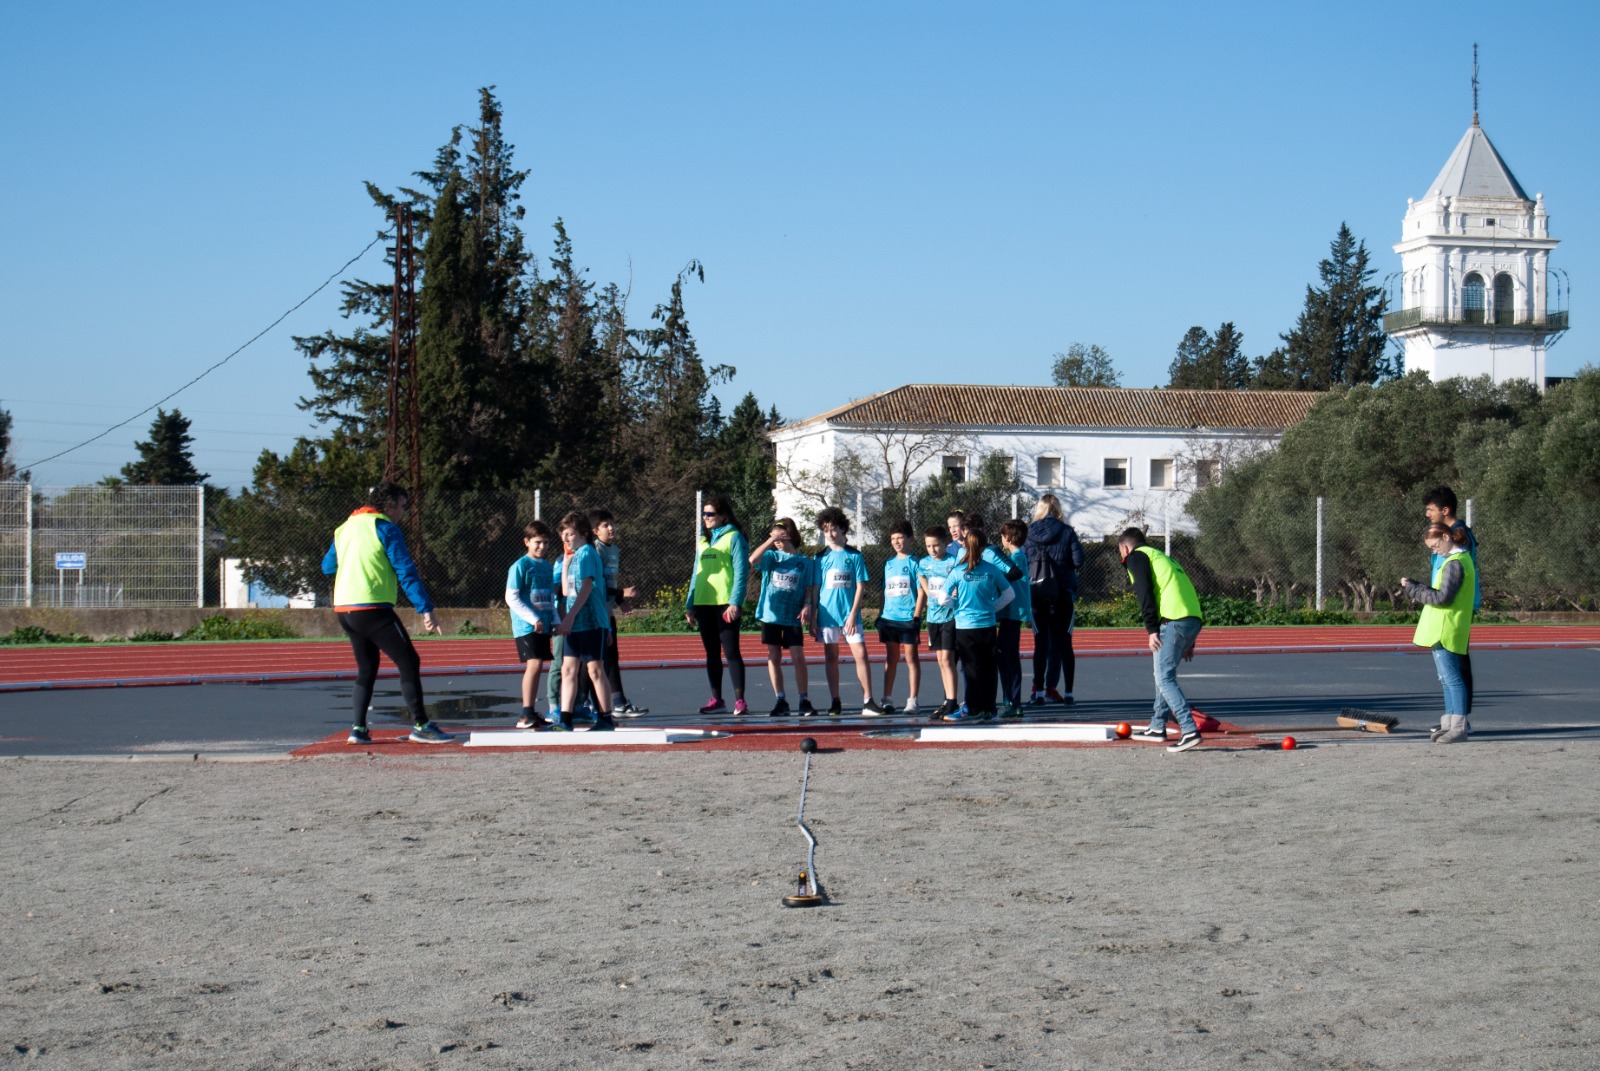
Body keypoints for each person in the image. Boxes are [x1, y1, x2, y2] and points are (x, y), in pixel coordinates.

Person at [321, 482, 452, 745]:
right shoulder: (384, 528)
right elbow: (405, 571)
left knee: (366, 669)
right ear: (389, 504)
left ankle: (358, 728)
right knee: (409, 662)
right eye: (402, 506)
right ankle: (421, 725)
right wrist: (425, 609)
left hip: (345, 610)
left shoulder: (344, 528)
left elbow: (327, 566)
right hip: (372, 608)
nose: (403, 512)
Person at [1119, 527, 1205, 752]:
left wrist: (1151, 629)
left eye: (1121, 551)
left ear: (1126, 547)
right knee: (1162, 674)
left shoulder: (1136, 556)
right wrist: (1190, 640)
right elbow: (1183, 590)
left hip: (1173, 620)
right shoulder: (1162, 557)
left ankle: (1189, 729)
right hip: (1191, 618)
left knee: (1164, 678)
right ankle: (1158, 725)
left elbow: (1144, 592)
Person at [1402, 523, 1476, 744]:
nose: (1434, 551)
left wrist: (1413, 589)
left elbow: (1442, 598)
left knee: (1452, 680)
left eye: (1435, 546)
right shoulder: (1458, 560)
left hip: (1445, 628)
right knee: (1446, 679)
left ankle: (1459, 728)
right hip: (1443, 628)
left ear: (1446, 536)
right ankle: (1449, 724)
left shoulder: (1455, 563)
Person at [811, 506, 883, 715]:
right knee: (831, 657)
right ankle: (835, 701)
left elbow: (860, 586)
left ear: (843, 530)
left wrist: (852, 615)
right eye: (825, 530)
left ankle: (868, 701)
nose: (830, 534)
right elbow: (816, 589)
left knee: (861, 654)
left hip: (850, 617)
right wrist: (814, 617)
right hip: (827, 616)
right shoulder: (820, 558)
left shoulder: (855, 556)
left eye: (833, 529)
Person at [685, 495, 750, 715]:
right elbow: (696, 573)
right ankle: (716, 699)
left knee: (731, 652)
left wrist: (735, 602)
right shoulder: (703, 541)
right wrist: (690, 603)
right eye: (704, 514)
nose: (706, 518)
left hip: (725, 604)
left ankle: (740, 701)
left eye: (710, 514)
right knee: (711, 653)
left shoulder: (734, 537)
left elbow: (741, 572)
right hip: (703, 603)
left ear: (723, 516)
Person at [939, 528, 1013, 722]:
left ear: (965, 545)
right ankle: (989, 709)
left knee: (971, 668)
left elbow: (942, 598)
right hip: (987, 625)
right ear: (983, 546)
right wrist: (991, 608)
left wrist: (957, 607)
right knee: (989, 667)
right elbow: (1009, 594)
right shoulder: (991, 569)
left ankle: (971, 708)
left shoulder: (957, 571)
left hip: (965, 627)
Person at [553, 512, 616, 732]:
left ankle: (606, 717)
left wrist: (569, 617)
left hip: (590, 622)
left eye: (569, 534)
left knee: (594, 670)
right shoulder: (573, 556)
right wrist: (566, 564)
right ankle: (566, 718)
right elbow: (565, 591)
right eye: (563, 535)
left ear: (583, 534)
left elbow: (587, 587)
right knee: (568, 670)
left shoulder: (588, 553)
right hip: (575, 623)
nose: (566, 539)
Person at [749, 518, 817, 716]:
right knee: (774, 656)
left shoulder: (804, 562)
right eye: (774, 534)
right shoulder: (772, 556)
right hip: (771, 615)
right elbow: (753, 560)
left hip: (792, 616)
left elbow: (808, 587)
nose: (778, 538)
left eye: (781, 534)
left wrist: (807, 605)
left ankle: (804, 699)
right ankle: (780, 699)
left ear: (790, 534)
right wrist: (771, 540)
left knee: (798, 656)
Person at [1423, 486, 1479, 725]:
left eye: (1431, 509)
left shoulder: (1458, 536)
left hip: (1453, 604)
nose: (1427, 514)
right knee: (1451, 667)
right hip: (1445, 602)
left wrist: (1430, 594)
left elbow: (1458, 572)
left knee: (1455, 666)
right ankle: (1456, 715)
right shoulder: (1449, 532)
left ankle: (1461, 719)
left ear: (1445, 510)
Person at [1024, 494, 1084, 706]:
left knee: (1040, 645)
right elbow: (1078, 560)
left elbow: (1023, 562)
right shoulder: (1067, 531)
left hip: (1038, 594)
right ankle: (1067, 692)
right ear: (1058, 509)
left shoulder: (1029, 533)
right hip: (1063, 593)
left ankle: (1038, 692)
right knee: (1064, 644)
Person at [590, 509, 648, 718]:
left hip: (608, 610)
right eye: (605, 525)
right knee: (598, 659)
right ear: (595, 531)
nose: (611, 528)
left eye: (612, 523)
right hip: (596, 611)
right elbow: (596, 584)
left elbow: (609, 582)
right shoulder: (595, 550)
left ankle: (616, 701)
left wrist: (620, 600)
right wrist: (621, 593)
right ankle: (598, 702)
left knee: (610, 657)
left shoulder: (614, 549)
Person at [505, 520, 556, 730]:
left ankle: (531, 711)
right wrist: (533, 618)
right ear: (527, 542)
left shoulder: (547, 566)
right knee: (534, 664)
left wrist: (556, 621)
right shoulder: (520, 566)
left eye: (545, 542)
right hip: (527, 627)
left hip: (543, 625)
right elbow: (511, 597)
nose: (541, 546)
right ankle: (525, 713)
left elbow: (550, 598)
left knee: (539, 665)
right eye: (537, 542)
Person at [878, 520, 924, 716]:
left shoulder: (916, 562)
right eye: (893, 539)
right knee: (891, 658)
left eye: (900, 538)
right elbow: (883, 592)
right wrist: (881, 613)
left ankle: (912, 700)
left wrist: (916, 615)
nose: (896, 542)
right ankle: (887, 698)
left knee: (911, 658)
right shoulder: (888, 564)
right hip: (889, 619)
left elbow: (922, 591)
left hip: (908, 618)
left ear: (910, 539)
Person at [918, 525, 962, 721]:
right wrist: (928, 594)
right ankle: (947, 701)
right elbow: (921, 576)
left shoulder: (953, 562)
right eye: (928, 546)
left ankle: (952, 701)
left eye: (936, 545)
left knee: (947, 660)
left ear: (945, 543)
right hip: (933, 617)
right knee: (939, 661)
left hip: (950, 616)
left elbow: (960, 581)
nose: (932, 550)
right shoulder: (924, 563)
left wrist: (954, 594)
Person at [996, 520, 1033, 718]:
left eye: (1002, 535)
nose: (1001, 539)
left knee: (1008, 656)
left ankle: (1014, 700)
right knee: (1004, 655)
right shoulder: (1016, 556)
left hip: (1013, 612)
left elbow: (1009, 580)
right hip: (1010, 612)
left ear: (1008, 538)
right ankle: (1010, 698)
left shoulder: (1016, 558)